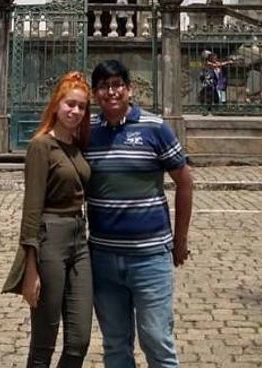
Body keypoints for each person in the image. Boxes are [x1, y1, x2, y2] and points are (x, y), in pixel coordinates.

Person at [86, 59, 194, 368]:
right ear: (96, 94)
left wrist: (180, 240)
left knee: (157, 340)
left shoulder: (155, 128)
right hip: (104, 258)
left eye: (118, 84)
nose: (112, 92)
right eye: (104, 86)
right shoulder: (87, 132)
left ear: (130, 89)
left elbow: (185, 183)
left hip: (150, 258)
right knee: (115, 346)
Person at [3, 72, 93, 368]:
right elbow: (32, 209)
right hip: (49, 239)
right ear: (56, 104)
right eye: (70, 104)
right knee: (44, 341)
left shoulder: (79, 145)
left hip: (80, 240)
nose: (75, 111)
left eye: (81, 107)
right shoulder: (41, 146)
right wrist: (31, 268)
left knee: (79, 340)